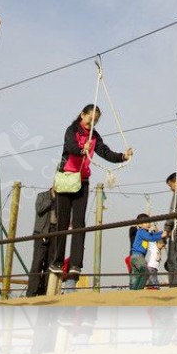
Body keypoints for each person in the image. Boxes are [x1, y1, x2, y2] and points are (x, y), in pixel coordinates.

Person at [48, 105, 132, 282]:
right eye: (90, 119)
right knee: (62, 222)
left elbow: (104, 152)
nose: (92, 123)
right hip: (66, 179)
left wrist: (122, 157)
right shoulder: (71, 130)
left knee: (79, 223)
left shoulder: (94, 135)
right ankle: (56, 261)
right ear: (82, 115)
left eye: (96, 120)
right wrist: (82, 148)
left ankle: (75, 264)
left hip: (82, 181)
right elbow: (70, 147)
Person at [26, 188, 57, 297]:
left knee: (50, 263)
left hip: (55, 232)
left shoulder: (62, 199)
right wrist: (52, 199)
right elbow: (39, 209)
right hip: (41, 232)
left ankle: (45, 292)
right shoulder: (42, 195)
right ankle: (31, 293)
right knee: (37, 262)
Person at [128, 214, 166, 291]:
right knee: (145, 272)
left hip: (136, 257)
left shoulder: (145, 232)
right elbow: (151, 238)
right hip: (137, 256)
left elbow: (152, 234)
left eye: (149, 222)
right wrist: (161, 235)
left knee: (137, 275)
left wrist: (162, 232)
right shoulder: (141, 231)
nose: (148, 224)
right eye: (146, 222)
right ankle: (137, 289)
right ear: (139, 224)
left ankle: (134, 290)